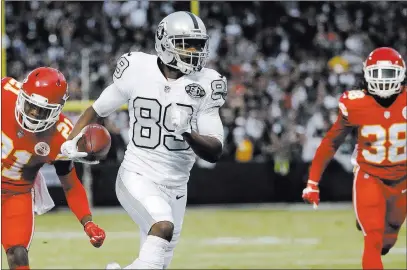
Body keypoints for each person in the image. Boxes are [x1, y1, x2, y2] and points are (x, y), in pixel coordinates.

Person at [61, 11, 226, 269]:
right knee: (163, 227)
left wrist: (187, 133)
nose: (195, 51)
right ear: (165, 42)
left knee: (156, 263)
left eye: (198, 44)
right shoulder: (137, 69)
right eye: (187, 44)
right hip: (137, 174)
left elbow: (215, 150)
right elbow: (97, 110)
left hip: (177, 187)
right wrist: (71, 141)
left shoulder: (207, 83)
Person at [302, 47, 406, 269]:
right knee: (373, 238)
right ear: (367, 75)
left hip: (403, 178)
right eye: (377, 74)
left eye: (388, 74)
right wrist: (312, 182)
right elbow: (331, 142)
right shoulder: (355, 103)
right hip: (370, 176)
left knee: (388, 240)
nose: (383, 81)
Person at [1, 67, 106, 270]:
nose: (31, 113)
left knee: (18, 253)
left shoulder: (61, 137)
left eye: (41, 110)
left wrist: (88, 223)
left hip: (16, 193)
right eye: (30, 105)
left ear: (57, 110)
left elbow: (71, 185)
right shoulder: (4, 92)